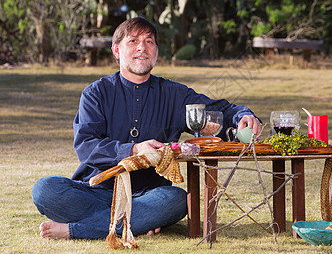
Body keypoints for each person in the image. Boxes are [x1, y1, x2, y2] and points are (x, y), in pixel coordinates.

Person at [32, 17, 261, 240]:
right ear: (116, 50)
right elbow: (86, 146)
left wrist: (244, 116)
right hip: (98, 191)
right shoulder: (96, 93)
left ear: (156, 52)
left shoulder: (174, 95)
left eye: (149, 42)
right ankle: (137, 223)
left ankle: (77, 230)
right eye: (133, 41)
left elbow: (219, 111)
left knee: (177, 200)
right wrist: (133, 150)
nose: (142, 47)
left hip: (149, 196)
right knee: (44, 190)